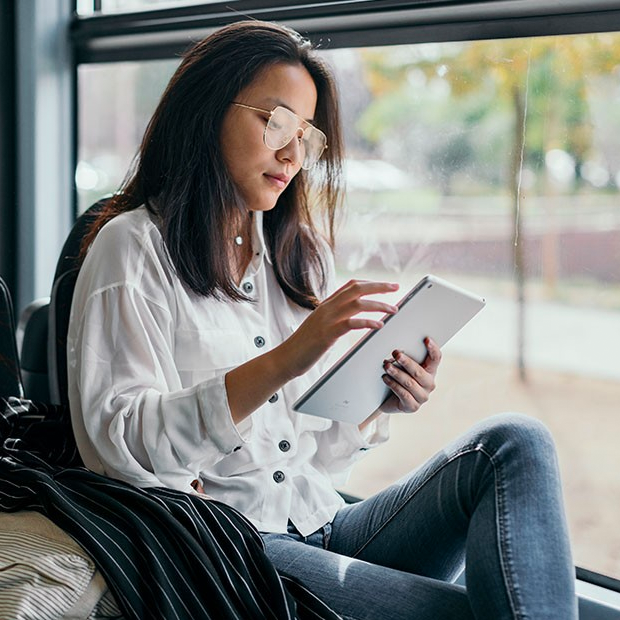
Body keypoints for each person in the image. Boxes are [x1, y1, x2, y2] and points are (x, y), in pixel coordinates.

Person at [68, 19, 578, 620]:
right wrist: (287, 359)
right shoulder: (131, 249)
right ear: (208, 109)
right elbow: (118, 446)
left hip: (321, 521)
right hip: (232, 548)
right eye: (275, 122)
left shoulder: (298, 255)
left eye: (306, 137)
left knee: (515, 441)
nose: (292, 153)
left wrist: (373, 399)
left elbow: (315, 460)